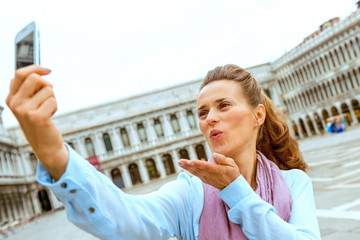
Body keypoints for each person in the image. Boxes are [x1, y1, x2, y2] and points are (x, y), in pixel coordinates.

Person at [6, 64, 321, 239]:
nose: (209, 117)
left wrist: (236, 191)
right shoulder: (190, 193)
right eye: (202, 112)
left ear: (258, 115)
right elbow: (127, 221)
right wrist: (53, 152)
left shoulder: (294, 183)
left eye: (223, 105)